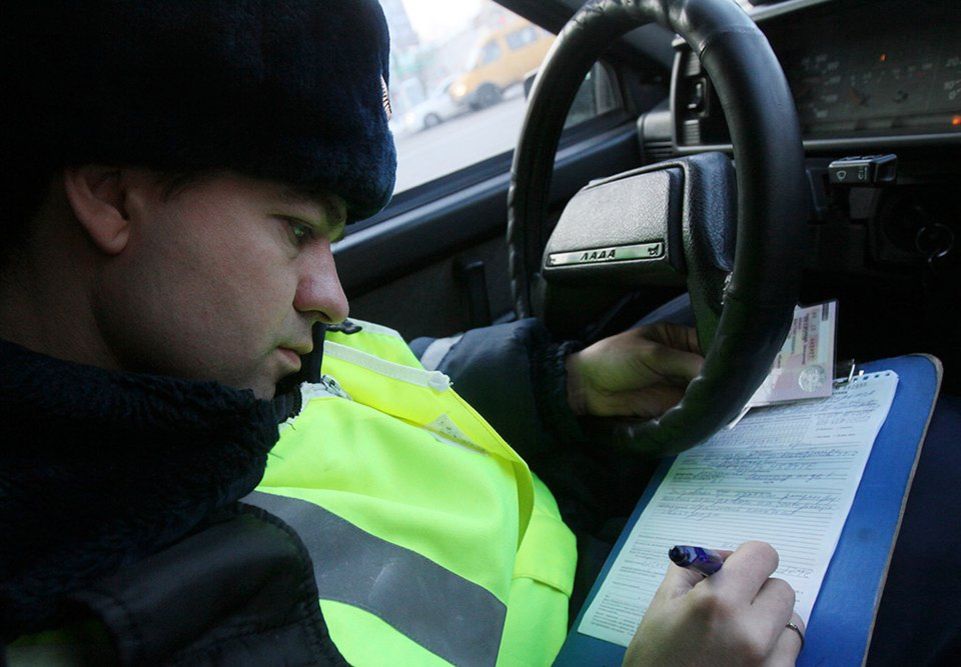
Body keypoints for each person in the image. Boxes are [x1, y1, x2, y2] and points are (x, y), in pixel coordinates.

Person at [0, 1, 806, 665]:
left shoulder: (208, 363)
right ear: (110, 196)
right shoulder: (92, 613)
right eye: (292, 230)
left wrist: (563, 385)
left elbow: (383, 387)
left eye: (333, 239)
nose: (331, 296)